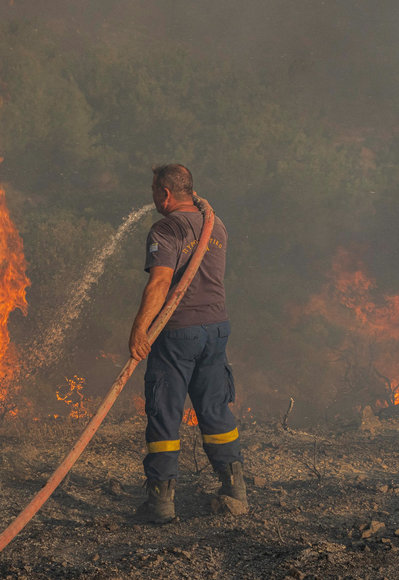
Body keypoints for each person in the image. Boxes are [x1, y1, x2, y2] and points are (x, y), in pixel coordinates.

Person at [128, 163, 246, 523]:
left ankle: (161, 503)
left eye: (154, 192)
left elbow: (160, 284)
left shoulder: (166, 229)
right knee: (214, 409)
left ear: (165, 193)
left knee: (165, 412)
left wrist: (139, 328)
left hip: (178, 332)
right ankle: (234, 489)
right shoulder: (216, 225)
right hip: (216, 329)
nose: (152, 199)